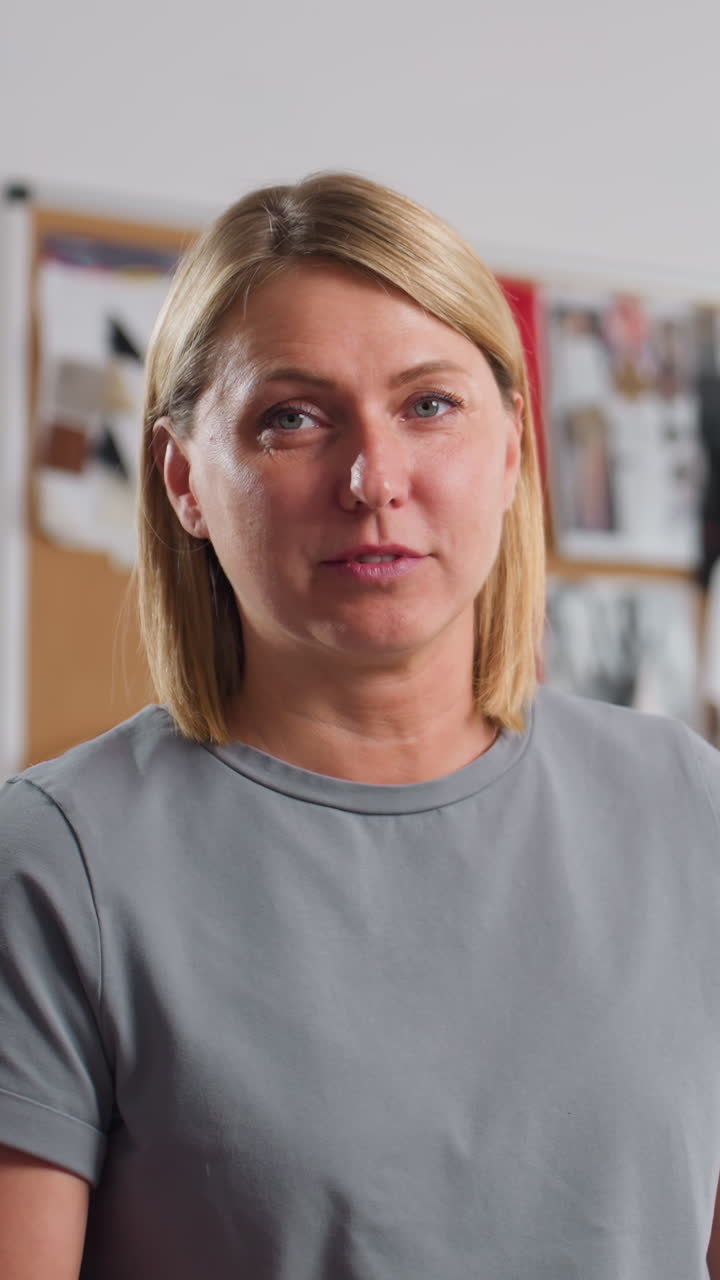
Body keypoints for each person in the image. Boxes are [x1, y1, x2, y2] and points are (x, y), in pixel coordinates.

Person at [1, 173, 720, 1280]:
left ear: (515, 446)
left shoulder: (688, 807)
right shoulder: (58, 861)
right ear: (184, 477)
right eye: (292, 416)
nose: (373, 478)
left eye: (429, 404)